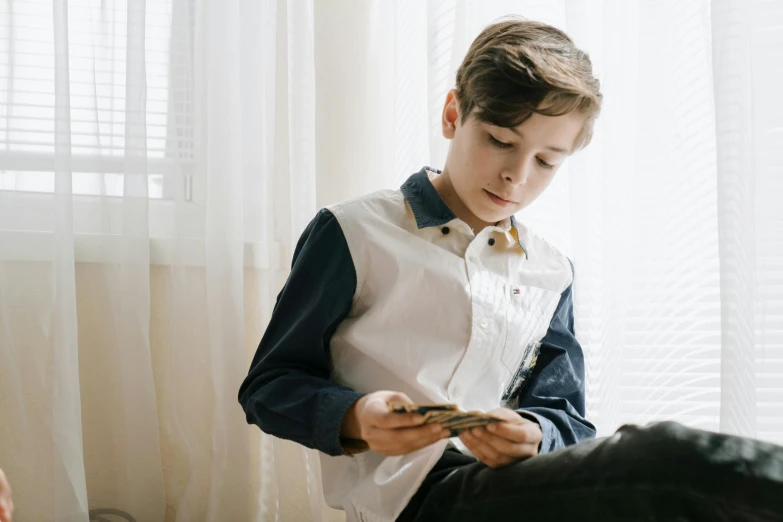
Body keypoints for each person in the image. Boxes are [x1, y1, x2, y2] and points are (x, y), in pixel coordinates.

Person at [239, 17, 783, 522]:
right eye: (501, 141)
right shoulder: (354, 231)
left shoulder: (551, 271)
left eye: (547, 161)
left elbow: (566, 417)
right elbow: (269, 385)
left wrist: (533, 433)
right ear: (454, 115)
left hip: (515, 485)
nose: (516, 178)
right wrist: (355, 417)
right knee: (662, 461)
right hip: (415, 498)